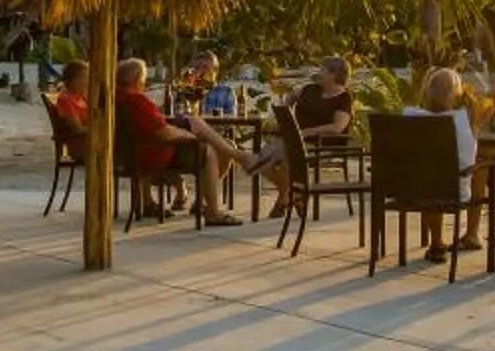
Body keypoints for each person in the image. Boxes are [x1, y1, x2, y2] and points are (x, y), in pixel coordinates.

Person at [114, 57, 250, 225]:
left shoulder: (115, 98)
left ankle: (154, 203)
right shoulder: (137, 100)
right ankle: (213, 211)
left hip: (128, 155)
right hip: (152, 154)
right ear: (137, 80)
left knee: (198, 128)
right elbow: (163, 132)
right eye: (144, 79)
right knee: (208, 150)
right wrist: (186, 135)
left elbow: (154, 124)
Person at [258, 56, 357, 217]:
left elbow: (337, 127)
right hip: (296, 140)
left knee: (286, 156)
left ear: (334, 74)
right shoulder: (310, 89)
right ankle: (293, 194)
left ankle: (285, 198)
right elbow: (290, 99)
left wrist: (307, 132)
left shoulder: (344, 99)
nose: (319, 73)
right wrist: (288, 104)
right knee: (261, 159)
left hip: (322, 144)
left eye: (322, 70)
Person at [401, 67, 481, 255]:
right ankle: (471, 234)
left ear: (427, 92)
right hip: (451, 191)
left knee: (429, 176)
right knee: (482, 170)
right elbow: (472, 150)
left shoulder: (409, 116)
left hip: (409, 190)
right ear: (455, 95)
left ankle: (436, 243)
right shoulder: (462, 120)